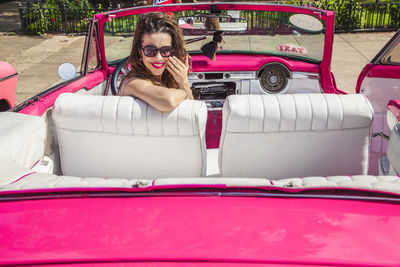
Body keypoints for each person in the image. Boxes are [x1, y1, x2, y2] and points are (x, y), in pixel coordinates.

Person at [119, 12, 193, 112]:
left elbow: (191, 112)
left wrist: (182, 82)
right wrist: (184, 86)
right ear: (140, 52)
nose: (158, 58)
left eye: (165, 50)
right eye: (150, 50)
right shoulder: (132, 83)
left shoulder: (169, 79)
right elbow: (168, 101)